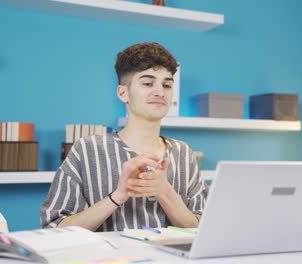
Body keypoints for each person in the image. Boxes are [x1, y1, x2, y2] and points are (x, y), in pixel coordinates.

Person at [40, 42, 208, 232]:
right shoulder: (86, 150)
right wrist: (118, 195)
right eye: (147, 83)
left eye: (167, 85)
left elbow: (202, 228)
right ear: (123, 93)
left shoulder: (183, 153)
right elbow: (54, 227)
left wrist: (164, 191)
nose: (160, 92)